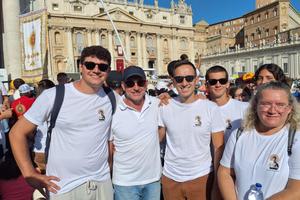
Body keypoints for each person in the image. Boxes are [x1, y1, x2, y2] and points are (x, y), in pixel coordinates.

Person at [9, 45, 114, 200]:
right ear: (81, 66)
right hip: (64, 186)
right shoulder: (54, 95)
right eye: (90, 65)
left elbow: (110, 137)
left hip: (101, 182)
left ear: (108, 71)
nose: (96, 70)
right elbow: (17, 133)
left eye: (102, 67)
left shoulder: (112, 98)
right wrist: (29, 173)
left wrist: (163, 100)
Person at [218, 82, 300, 200]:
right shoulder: (239, 134)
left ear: (289, 108)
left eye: (280, 105)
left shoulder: (296, 139)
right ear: (255, 105)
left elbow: (296, 189)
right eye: (266, 104)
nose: (272, 110)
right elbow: (224, 172)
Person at [158, 60, 226, 200]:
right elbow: (157, 139)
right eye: (179, 79)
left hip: (202, 177)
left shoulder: (210, 108)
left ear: (196, 80)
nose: (184, 83)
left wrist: (217, 184)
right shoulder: (164, 106)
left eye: (189, 78)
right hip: (171, 178)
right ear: (173, 81)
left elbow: (218, 147)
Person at [109, 66, 161, 200]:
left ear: (146, 83)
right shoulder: (113, 109)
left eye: (140, 82)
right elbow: (109, 146)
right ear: (123, 85)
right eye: (130, 83)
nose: (136, 87)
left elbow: (162, 129)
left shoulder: (157, 104)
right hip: (125, 183)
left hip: (153, 180)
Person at [205, 65, 248, 143]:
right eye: (213, 82)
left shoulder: (245, 108)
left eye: (222, 81)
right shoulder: (202, 109)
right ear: (207, 85)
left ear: (228, 84)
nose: (218, 85)